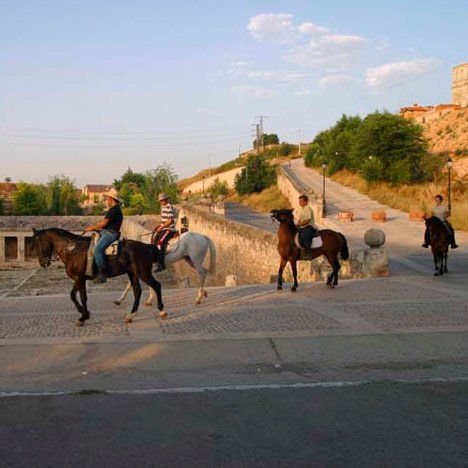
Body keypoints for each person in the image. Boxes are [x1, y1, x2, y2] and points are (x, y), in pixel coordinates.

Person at [85, 188, 123, 283]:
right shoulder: (114, 209)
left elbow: (104, 223)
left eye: (108, 198)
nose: (107, 200)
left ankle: (103, 274)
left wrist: (92, 227)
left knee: (97, 250)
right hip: (106, 232)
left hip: (110, 234)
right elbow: (104, 223)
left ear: (112, 199)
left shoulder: (114, 210)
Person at [153, 193, 177, 271]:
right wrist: (158, 226)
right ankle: (156, 260)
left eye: (161, 200)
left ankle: (162, 265)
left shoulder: (168, 206)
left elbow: (170, 220)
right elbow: (164, 220)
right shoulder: (163, 207)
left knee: (160, 244)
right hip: (164, 229)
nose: (160, 202)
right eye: (160, 201)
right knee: (154, 241)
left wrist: (161, 227)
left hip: (169, 229)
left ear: (165, 200)